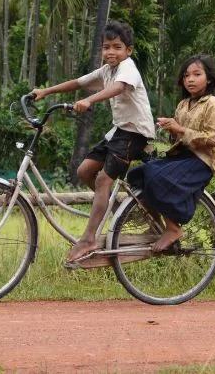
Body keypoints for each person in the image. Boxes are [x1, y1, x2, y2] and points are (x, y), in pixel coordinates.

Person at [31, 20, 155, 263]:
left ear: (128, 51)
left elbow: (118, 88)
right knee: (84, 170)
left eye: (117, 47)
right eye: (107, 47)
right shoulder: (106, 71)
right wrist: (46, 92)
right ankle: (118, 208)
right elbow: (78, 83)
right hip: (119, 131)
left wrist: (90, 101)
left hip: (136, 134)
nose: (111, 52)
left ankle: (88, 239)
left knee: (102, 181)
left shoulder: (127, 68)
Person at [127, 54, 215, 253]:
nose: (190, 79)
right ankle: (155, 224)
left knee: (156, 177)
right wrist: (171, 129)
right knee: (139, 174)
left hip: (201, 162)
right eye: (187, 75)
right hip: (182, 158)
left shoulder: (212, 103)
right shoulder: (182, 105)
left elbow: (212, 140)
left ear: (209, 79)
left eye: (197, 74)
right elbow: (178, 140)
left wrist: (179, 129)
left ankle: (173, 229)